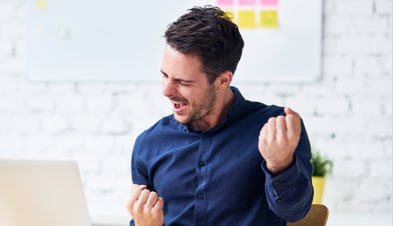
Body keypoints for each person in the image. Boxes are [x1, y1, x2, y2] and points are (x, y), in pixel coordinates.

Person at [126, 5, 313, 226]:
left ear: (223, 81)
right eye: (165, 76)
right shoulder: (149, 144)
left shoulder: (275, 131)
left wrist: (281, 164)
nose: (166, 91)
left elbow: (295, 212)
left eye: (183, 82)